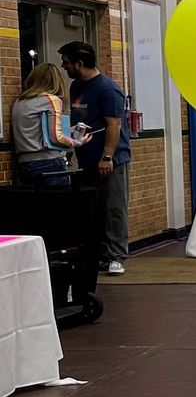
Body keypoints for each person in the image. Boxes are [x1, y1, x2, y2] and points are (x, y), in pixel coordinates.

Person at [61, 40, 131, 276]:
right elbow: (79, 121)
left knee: (114, 208)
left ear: (79, 64)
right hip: (86, 158)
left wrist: (107, 156)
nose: (64, 67)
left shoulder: (106, 89)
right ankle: (100, 253)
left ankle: (116, 256)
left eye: (67, 63)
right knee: (94, 208)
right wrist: (71, 148)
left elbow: (114, 125)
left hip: (111, 159)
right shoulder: (75, 87)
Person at [11, 62, 87, 188]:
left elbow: (37, 129)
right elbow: (56, 137)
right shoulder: (52, 100)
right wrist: (77, 142)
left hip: (24, 164)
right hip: (49, 163)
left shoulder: (20, 101)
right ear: (57, 81)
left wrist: (69, 129)